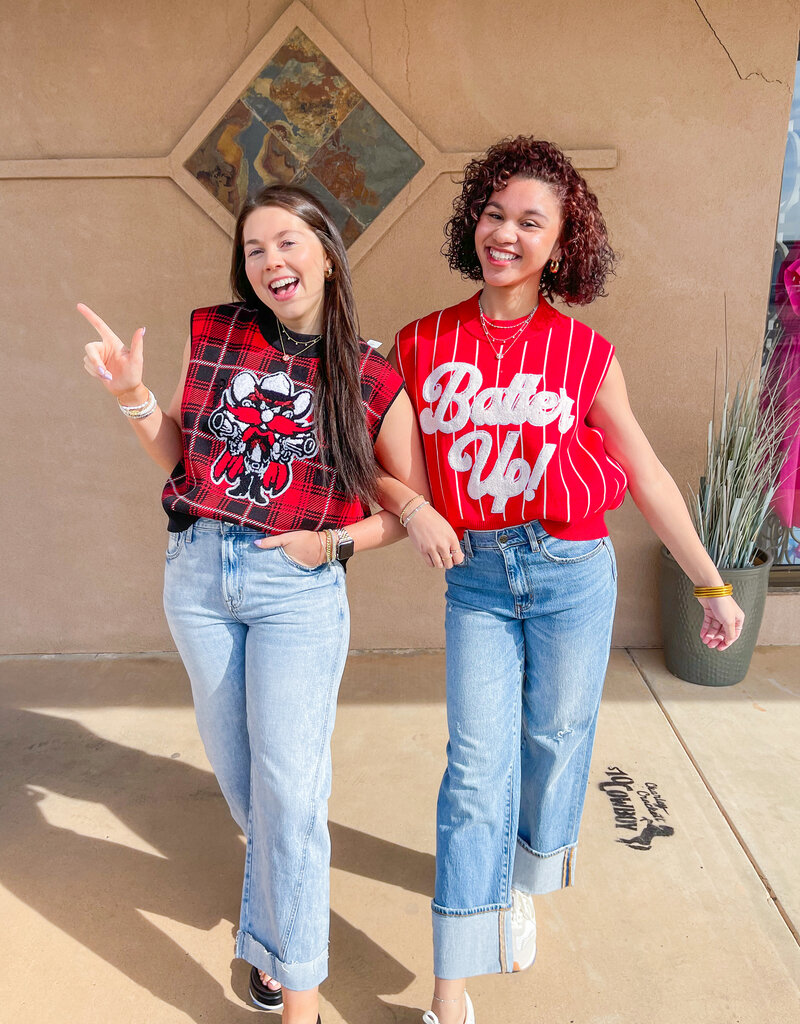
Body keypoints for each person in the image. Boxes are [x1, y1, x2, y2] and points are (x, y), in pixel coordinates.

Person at [384, 136, 745, 1024]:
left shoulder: (585, 353)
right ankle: (450, 990)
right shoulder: (421, 343)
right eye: (493, 213)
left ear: (560, 244)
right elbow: (380, 464)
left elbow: (646, 473)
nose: (504, 234)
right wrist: (416, 507)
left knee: (553, 740)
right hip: (476, 575)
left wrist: (711, 584)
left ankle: (520, 879)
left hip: (571, 570)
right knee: (476, 768)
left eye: (529, 222)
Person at [78, 183, 459, 1024]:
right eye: (254, 249)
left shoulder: (372, 376)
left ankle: (300, 1002)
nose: (271, 261)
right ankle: (270, 941)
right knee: (253, 793)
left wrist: (329, 546)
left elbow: (402, 508)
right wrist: (131, 394)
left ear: (327, 253)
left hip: (297, 589)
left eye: (287, 242)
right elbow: (184, 457)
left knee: (290, 799)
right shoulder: (219, 334)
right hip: (198, 575)